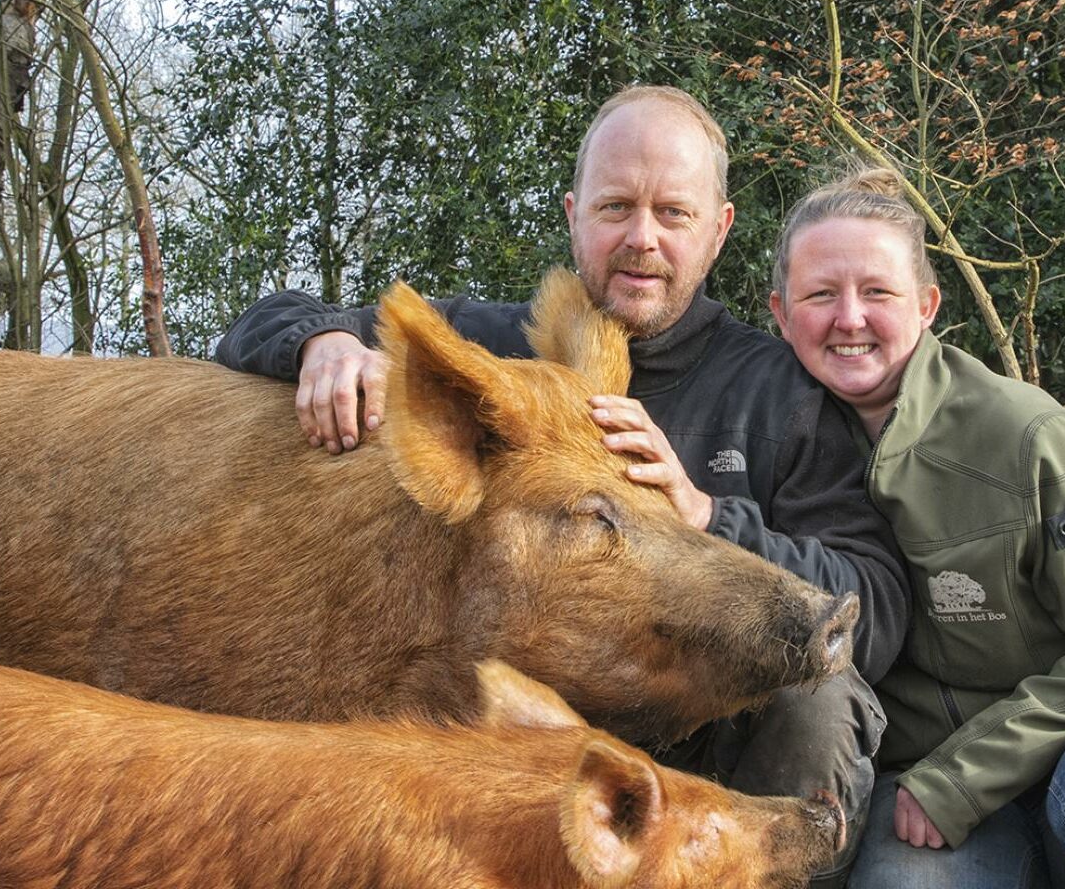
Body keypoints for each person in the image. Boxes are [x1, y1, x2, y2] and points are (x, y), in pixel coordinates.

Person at [215, 85, 909, 887]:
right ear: (575, 213)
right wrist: (323, 343)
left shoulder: (781, 395)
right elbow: (266, 317)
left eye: (672, 214)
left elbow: (876, 609)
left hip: (724, 739)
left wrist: (707, 512)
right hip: (533, 737)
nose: (641, 239)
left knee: (814, 698)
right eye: (616, 207)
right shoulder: (494, 350)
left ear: (717, 231)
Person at [767, 167, 1065, 888]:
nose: (848, 318)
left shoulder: (1027, 435)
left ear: (926, 305)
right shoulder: (767, 454)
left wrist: (967, 775)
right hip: (913, 783)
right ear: (780, 314)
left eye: (876, 292)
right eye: (820, 294)